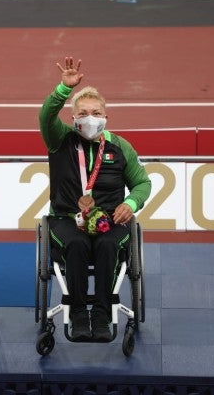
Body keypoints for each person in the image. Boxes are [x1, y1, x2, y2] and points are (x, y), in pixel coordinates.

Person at [39, 57, 151, 342]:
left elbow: (142, 183)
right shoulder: (60, 140)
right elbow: (46, 116)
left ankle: (102, 314)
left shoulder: (120, 146)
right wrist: (64, 90)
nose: (90, 118)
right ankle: (78, 314)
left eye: (96, 112)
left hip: (111, 219)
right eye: (83, 113)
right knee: (76, 245)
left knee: (108, 245)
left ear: (105, 117)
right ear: (73, 118)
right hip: (67, 219)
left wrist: (131, 204)